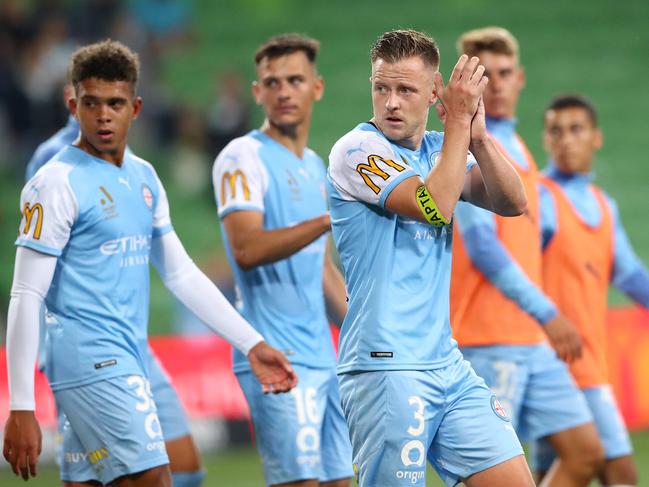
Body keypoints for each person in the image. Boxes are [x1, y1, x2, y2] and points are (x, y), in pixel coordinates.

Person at [3, 39, 297, 486]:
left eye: (115, 103)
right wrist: (21, 404)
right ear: (73, 104)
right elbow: (26, 292)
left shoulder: (143, 177)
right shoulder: (55, 181)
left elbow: (180, 274)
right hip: (90, 358)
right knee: (156, 477)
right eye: (92, 103)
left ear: (135, 108)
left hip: (133, 351)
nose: (103, 115)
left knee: (160, 474)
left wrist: (251, 342)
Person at [327, 29, 533, 487]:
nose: (391, 102)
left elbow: (513, 201)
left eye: (406, 90)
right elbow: (433, 206)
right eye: (381, 88)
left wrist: (476, 137)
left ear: (435, 91)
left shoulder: (443, 149)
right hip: (386, 367)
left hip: (446, 363)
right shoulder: (357, 151)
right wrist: (459, 126)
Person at [24, 82, 206, 487]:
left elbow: (175, 267)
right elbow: (36, 270)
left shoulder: (130, 161)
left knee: (186, 467)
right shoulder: (52, 161)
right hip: (85, 349)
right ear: (73, 98)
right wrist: (42, 348)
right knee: (121, 477)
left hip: (132, 342)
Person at [450, 26, 605, 486]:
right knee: (490, 475)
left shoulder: (518, 148)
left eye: (502, 73)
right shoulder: (470, 148)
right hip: (487, 335)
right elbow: (483, 248)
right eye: (483, 74)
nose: (494, 84)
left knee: (584, 453)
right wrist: (549, 312)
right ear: (468, 82)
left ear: (519, 78)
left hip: (529, 338)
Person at [212, 34, 352, 487]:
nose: (284, 91)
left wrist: (366, 334)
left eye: (295, 79)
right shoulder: (242, 157)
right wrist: (325, 221)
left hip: (322, 358)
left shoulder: (316, 166)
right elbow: (246, 249)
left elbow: (323, 270)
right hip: (275, 355)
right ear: (257, 92)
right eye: (272, 82)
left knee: (339, 482)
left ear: (318, 87)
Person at [533, 93, 649, 487]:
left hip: (590, 359)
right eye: (556, 131)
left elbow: (630, 275)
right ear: (546, 140)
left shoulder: (603, 205)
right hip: (560, 364)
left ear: (595, 138)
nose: (566, 140)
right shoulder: (539, 198)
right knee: (619, 473)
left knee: (551, 472)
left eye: (576, 129)